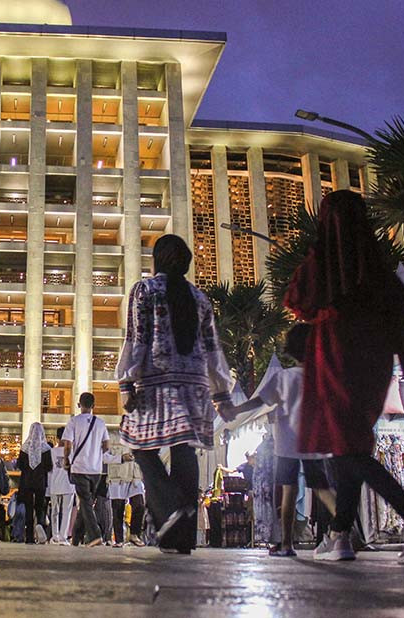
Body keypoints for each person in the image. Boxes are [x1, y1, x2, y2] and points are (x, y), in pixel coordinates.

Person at [282, 190, 404, 564]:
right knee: (350, 446)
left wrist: (315, 252)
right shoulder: (378, 269)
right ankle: (340, 536)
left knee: (346, 447)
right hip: (375, 364)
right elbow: (403, 326)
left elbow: (295, 299)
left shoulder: (322, 262)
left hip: (334, 358)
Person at [117, 234, 235, 554]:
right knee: (184, 451)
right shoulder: (199, 298)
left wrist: (126, 382)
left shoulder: (145, 290)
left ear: (157, 260)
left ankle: (171, 508)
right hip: (195, 386)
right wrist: (222, 394)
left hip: (157, 385)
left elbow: (137, 338)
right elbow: (212, 347)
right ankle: (180, 537)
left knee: (140, 448)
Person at [221, 323, 338, 556]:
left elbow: (260, 401)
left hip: (287, 445)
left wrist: (235, 410)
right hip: (314, 442)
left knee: (288, 492)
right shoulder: (320, 378)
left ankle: (286, 544)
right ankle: (345, 530)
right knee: (323, 488)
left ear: (290, 350)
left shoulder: (284, 378)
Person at [62, 392, 111, 547]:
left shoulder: (74, 421)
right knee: (86, 502)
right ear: (93, 406)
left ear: (79, 405)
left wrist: (66, 460)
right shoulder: (101, 423)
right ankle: (76, 539)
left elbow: (68, 444)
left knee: (85, 502)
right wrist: (95, 454)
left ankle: (95, 535)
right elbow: (106, 446)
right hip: (96, 470)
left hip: (79, 468)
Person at [16, 422, 53, 545]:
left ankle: (29, 537)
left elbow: (20, 465)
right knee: (40, 508)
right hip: (40, 482)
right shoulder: (46, 449)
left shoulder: (25, 448)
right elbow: (49, 466)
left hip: (27, 482)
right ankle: (40, 527)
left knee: (28, 508)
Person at [108, 440, 146, 548]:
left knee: (139, 505)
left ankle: (134, 534)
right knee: (118, 508)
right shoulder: (112, 440)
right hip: (118, 477)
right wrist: (120, 458)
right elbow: (103, 457)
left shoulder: (138, 439)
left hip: (135, 476)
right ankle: (119, 539)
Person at [47, 427, 75, 544]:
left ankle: (56, 535)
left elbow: (48, 470)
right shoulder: (72, 453)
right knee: (66, 511)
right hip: (68, 485)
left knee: (55, 511)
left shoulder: (51, 452)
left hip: (54, 484)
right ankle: (62, 536)